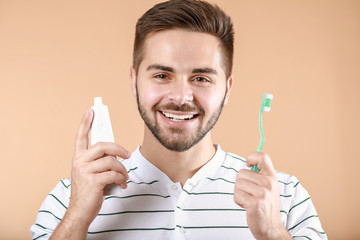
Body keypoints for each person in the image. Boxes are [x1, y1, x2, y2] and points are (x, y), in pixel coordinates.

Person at [30, 0, 327, 239]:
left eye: (200, 77)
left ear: (227, 89)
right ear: (134, 81)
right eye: (162, 75)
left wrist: (273, 233)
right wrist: (78, 217)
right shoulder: (69, 199)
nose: (182, 96)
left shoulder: (285, 197)